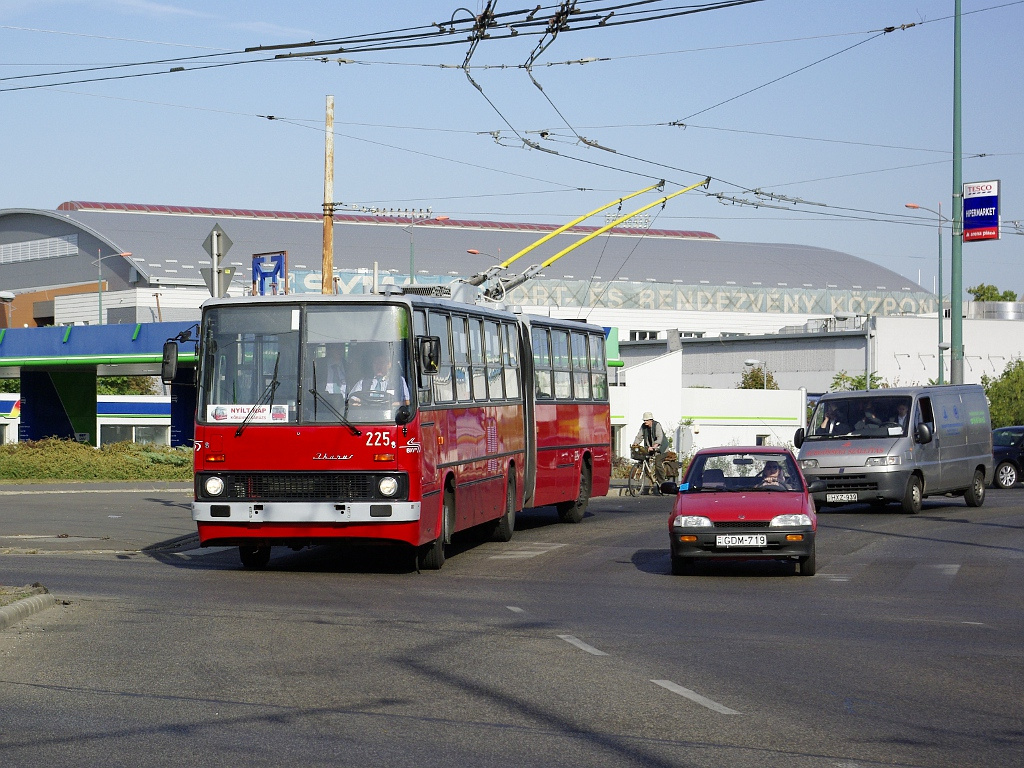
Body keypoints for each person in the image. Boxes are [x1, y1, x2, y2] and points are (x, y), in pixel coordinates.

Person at [633, 411, 667, 491]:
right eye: (644, 420)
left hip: (661, 448)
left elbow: (660, 437)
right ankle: (651, 477)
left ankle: (662, 483)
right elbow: (639, 436)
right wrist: (635, 444)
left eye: (646, 420)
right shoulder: (643, 426)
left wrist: (654, 446)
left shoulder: (657, 425)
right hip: (649, 447)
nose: (645, 422)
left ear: (651, 420)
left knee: (658, 462)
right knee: (643, 460)